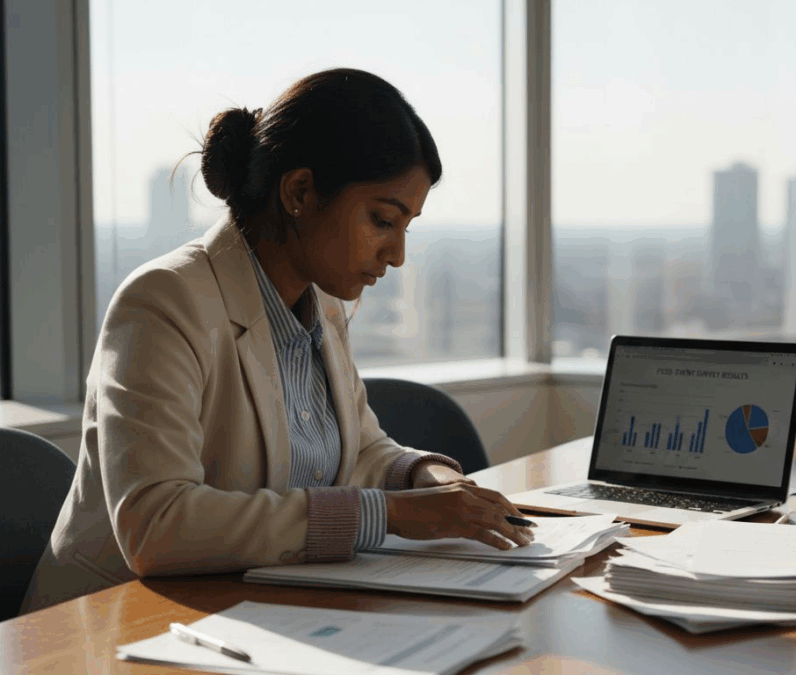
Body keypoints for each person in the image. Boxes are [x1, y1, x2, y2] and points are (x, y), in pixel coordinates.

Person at [20, 68, 533, 614]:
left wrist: (425, 478)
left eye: (407, 226)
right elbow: (158, 524)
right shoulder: (163, 301)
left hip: (256, 611)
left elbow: (360, 448)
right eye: (383, 219)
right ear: (300, 192)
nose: (397, 254)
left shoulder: (323, 305)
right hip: (111, 625)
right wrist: (393, 514)